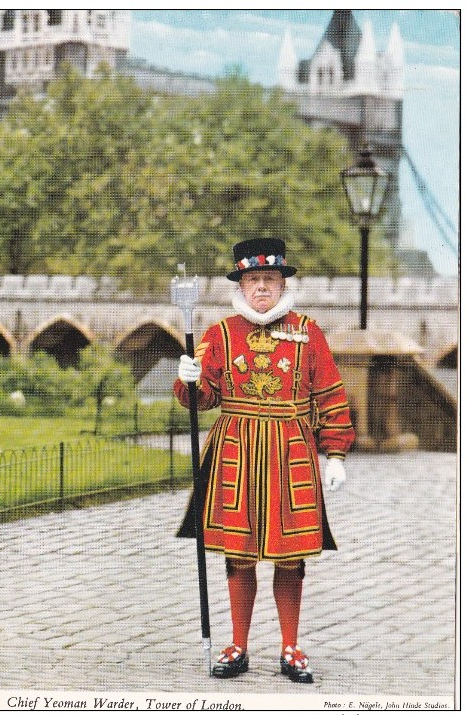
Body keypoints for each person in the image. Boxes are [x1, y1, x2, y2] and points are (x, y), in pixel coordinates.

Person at [174, 238, 355, 683]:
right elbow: (205, 398)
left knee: (290, 556)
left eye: (269, 280)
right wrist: (190, 381)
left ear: (282, 284)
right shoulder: (219, 334)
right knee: (238, 554)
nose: (260, 289)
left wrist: (335, 453)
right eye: (252, 280)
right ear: (241, 285)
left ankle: (290, 647)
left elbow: (330, 392)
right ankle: (237, 645)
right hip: (235, 449)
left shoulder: (308, 332)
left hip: (289, 449)